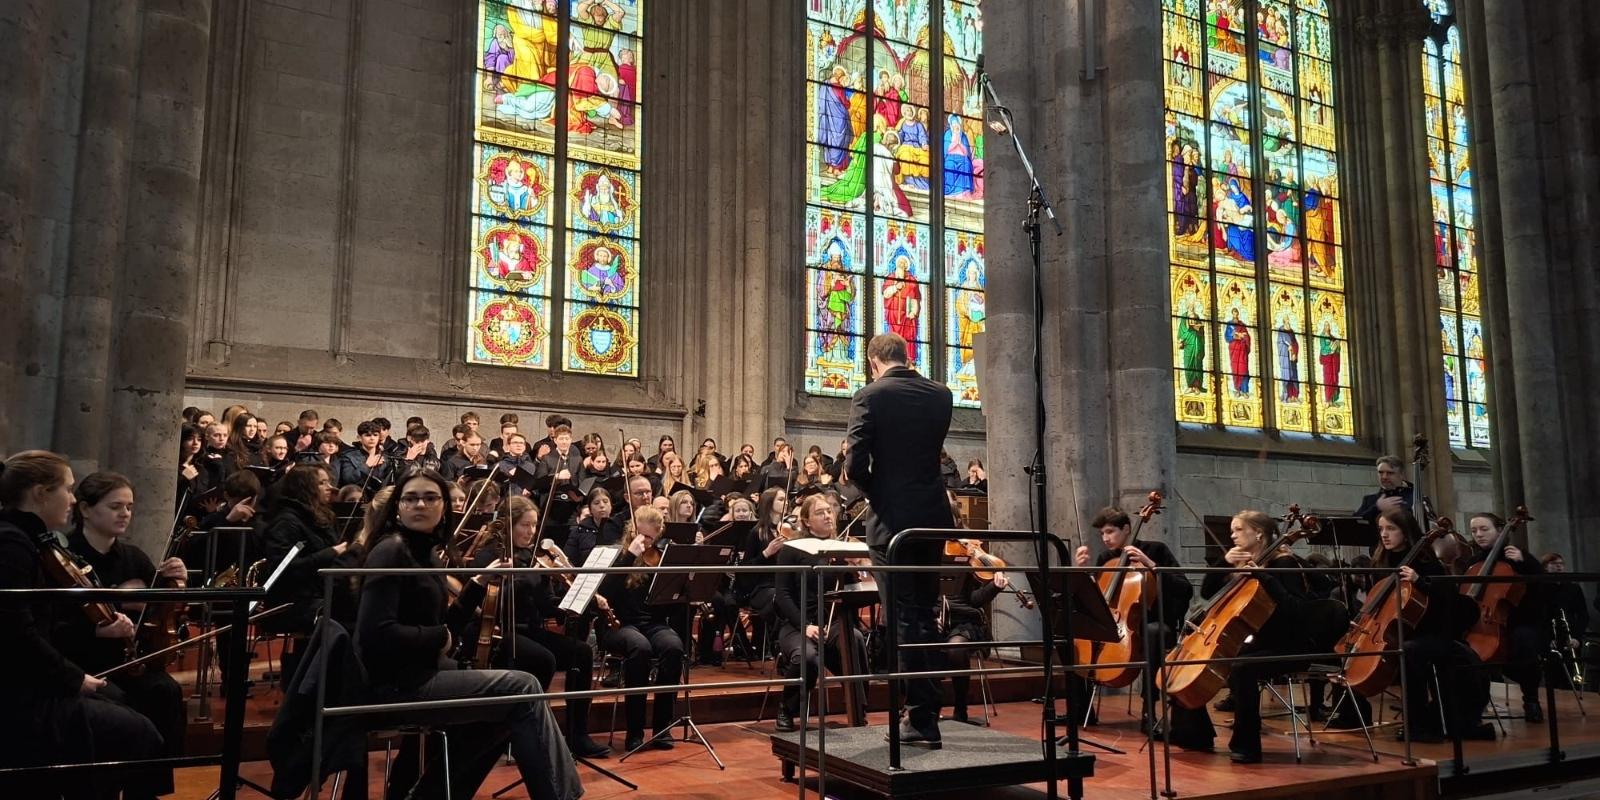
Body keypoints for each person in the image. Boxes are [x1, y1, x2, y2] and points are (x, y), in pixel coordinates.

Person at [356, 470, 583, 799]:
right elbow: (374, 635)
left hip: (423, 672)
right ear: (398, 507)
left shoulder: (423, 552)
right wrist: (438, 639)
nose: (420, 504)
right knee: (523, 687)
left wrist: (477, 584)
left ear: (444, 507)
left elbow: (445, 624)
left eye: (430, 497)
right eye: (410, 498)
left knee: (501, 716)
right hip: (398, 684)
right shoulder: (391, 551)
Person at [0, 451, 164, 799]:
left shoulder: (28, 539)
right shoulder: (12, 544)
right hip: (20, 696)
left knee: (132, 710)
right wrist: (74, 678)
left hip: (31, 682)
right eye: (68, 489)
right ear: (41, 493)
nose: (73, 499)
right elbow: (17, 633)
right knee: (136, 731)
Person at [844, 332, 954, 747]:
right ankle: (928, 710)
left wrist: (877, 491)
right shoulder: (941, 395)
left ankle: (921, 718)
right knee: (925, 613)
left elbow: (854, 465)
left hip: (893, 523)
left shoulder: (870, 395)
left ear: (874, 361)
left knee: (905, 618)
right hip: (933, 518)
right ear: (906, 357)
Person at [57, 472, 188, 799]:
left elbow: (162, 611)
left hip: (130, 660)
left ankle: (146, 790)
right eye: (115, 506)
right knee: (118, 704)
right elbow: (53, 625)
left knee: (165, 691)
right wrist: (100, 627)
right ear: (85, 510)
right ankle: (103, 788)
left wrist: (176, 585)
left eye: (129, 507)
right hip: (84, 663)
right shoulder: (64, 558)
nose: (125, 513)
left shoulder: (134, 557)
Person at [469, 496, 609, 758]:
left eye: (534, 526)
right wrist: (531, 577)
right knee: (543, 659)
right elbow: (496, 603)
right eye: (525, 525)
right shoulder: (490, 556)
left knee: (582, 652)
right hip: (501, 632)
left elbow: (545, 607)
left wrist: (572, 602)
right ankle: (525, 732)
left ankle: (577, 735)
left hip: (530, 630)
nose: (531, 532)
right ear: (508, 525)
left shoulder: (532, 557)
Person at [1073, 506, 1212, 750]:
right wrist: (1084, 572)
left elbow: (1185, 589)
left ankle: (1150, 710)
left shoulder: (1156, 549)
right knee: (1078, 633)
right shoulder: (1106, 559)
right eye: (1102, 534)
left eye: (1110, 532)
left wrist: (1151, 566)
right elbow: (1096, 599)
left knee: (1152, 633)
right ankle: (1083, 708)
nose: (1105, 538)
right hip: (1119, 624)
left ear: (1126, 529)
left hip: (1157, 621)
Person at [1198, 510, 1312, 763]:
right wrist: (1223, 564)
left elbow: (1296, 610)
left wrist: (1264, 576)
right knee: (1194, 661)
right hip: (1257, 642)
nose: (1232, 535)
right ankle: (1195, 734)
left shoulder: (1284, 563)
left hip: (1288, 644)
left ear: (1259, 533)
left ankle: (1247, 744)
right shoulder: (1240, 564)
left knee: (1241, 667)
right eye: (1232, 530)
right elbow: (1207, 593)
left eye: (1238, 529)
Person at [1368, 508, 1490, 742]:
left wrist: (1419, 582)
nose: (1384, 534)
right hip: (1396, 631)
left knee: (1410, 651)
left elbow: (1447, 603)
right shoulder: (1381, 562)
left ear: (1406, 531)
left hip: (1434, 634)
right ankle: (1351, 716)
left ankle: (1419, 725)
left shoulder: (1427, 563)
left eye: (1391, 529)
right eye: (1381, 529)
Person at [257, 463, 362, 682]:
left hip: (318, 593)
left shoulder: (321, 516)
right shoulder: (287, 521)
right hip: (292, 601)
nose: (330, 487)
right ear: (305, 487)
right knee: (352, 617)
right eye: (322, 483)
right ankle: (320, 683)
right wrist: (330, 553)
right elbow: (282, 571)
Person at [772, 493, 868, 732]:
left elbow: (852, 594)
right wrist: (805, 625)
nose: (827, 515)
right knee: (808, 658)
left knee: (854, 639)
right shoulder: (792, 549)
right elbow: (782, 595)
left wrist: (858, 569)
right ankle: (787, 708)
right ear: (805, 521)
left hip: (833, 623)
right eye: (819, 512)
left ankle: (858, 708)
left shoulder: (841, 549)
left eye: (829, 511)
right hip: (796, 623)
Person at [596, 506, 684, 751]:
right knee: (640, 648)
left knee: (673, 647)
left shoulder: (661, 557)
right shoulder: (617, 555)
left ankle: (662, 728)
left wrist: (681, 587)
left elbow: (669, 608)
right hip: (618, 624)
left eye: (650, 537)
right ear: (631, 531)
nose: (644, 542)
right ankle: (634, 730)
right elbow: (604, 593)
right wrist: (627, 558)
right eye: (641, 535)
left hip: (652, 623)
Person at [1465, 511, 1548, 722]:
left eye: (1485, 529)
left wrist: (1524, 562)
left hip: (1521, 619)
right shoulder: (1474, 563)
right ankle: (1473, 704)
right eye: (1474, 530)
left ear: (1500, 530)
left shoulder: (1517, 557)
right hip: (1485, 621)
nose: (1478, 534)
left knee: (1524, 642)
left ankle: (1531, 699)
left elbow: (1543, 588)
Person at [1353, 455, 1413, 524]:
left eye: (1390, 473)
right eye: (1381, 472)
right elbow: (1354, 523)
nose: (1384, 477)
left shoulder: (1414, 498)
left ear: (1401, 474)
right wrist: (1377, 508)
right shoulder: (1369, 500)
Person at [335, 420, 392, 490]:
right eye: (368, 435)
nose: (372, 438)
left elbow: (389, 482)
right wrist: (366, 465)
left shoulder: (385, 457)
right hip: (357, 496)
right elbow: (348, 480)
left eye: (375, 435)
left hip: (380, 497)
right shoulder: (348, 456)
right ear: (359, 437)